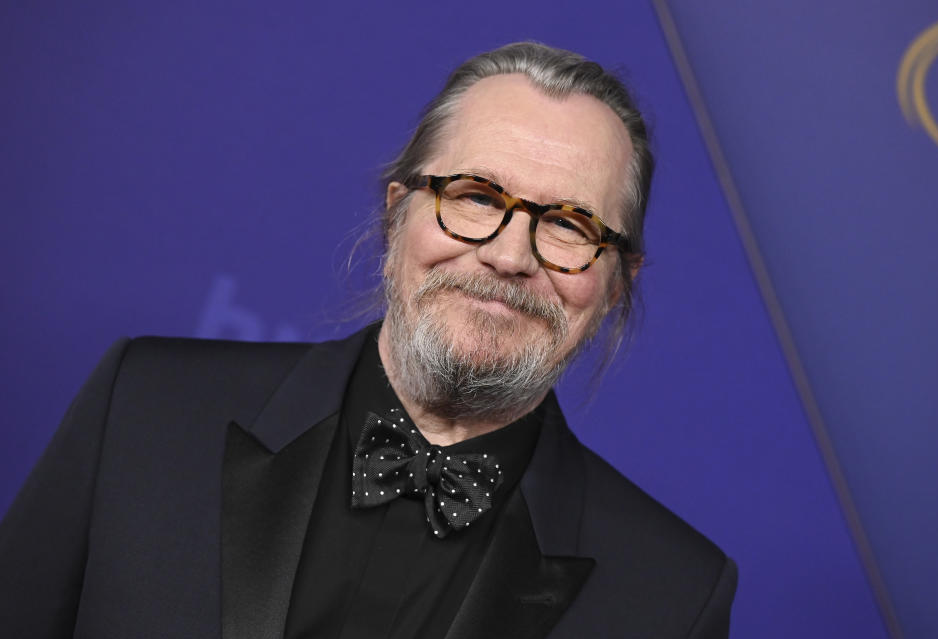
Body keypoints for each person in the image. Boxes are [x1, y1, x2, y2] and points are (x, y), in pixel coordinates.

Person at [0, 42, 736, 638]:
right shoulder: (146, 406)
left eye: (571, 226)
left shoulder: (673, 594)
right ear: (397, 215)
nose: (511, 256)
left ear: (616, 282)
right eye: (477, 197)